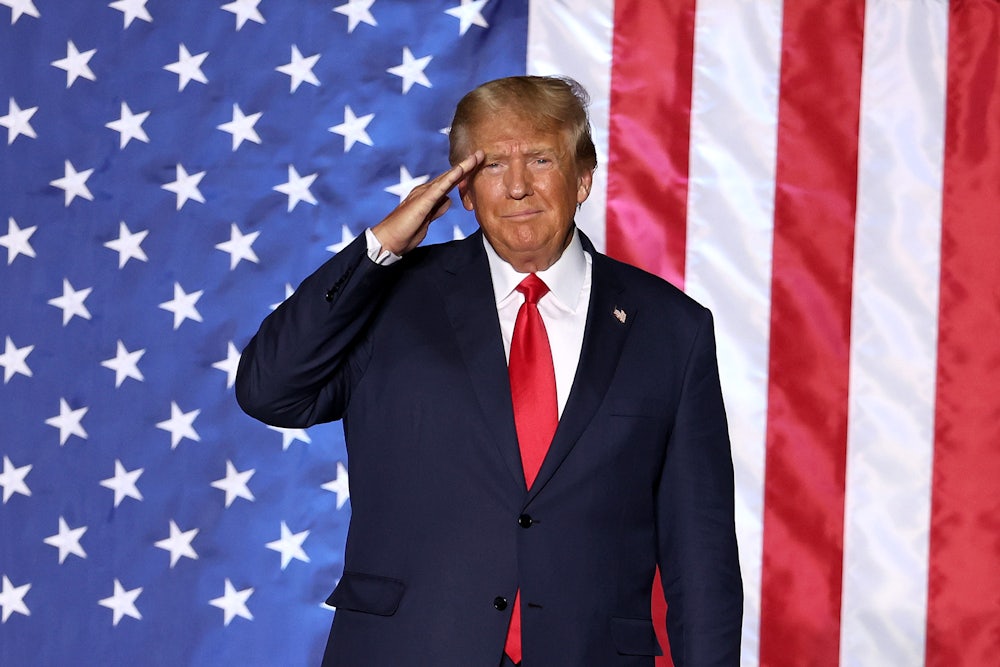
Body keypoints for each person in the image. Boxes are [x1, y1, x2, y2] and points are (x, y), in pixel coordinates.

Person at [236, 75, 742, 666]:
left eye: (541, 159)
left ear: (583, 177)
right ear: (466, 190)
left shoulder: (671, 327)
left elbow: (700, 550)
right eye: (494, 164)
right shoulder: (389, 298)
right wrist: (379, 247)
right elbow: (270, 392)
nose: (520, 186)